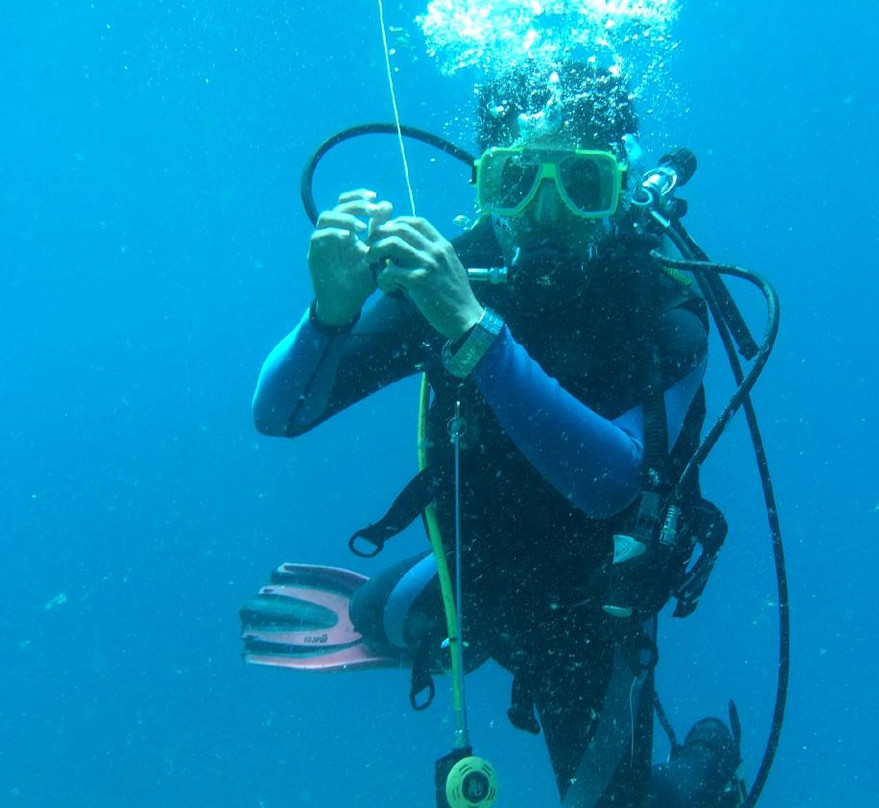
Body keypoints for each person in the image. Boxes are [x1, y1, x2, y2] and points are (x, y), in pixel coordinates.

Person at [244, 62, 745, 808]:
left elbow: (612, 487)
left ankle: (707, 760)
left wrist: (474, 333)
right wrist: (330, 316)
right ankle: (449, 624)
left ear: (617, 191)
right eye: (517, 183)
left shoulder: (660, 308)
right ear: (484, 184)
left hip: (592, 610)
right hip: (480, 567)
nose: (546, 214)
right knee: (376, 613)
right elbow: (281, 415)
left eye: (580, 185)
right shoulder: (458, 274)